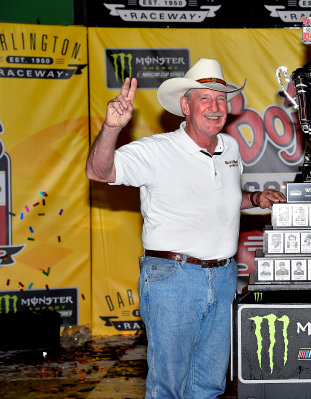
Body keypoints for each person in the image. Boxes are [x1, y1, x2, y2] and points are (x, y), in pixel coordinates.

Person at [85, 58, 286, 399]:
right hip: (173, 278)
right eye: (204, 98)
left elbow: (218, 198)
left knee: (209, 386)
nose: (215, 106)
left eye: (221, 99)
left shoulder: (231, 148)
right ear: (185, 106)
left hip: (224, 278)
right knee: (168, 388)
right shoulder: (156, 150)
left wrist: (254, 198)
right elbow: (98, 172)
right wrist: (111, 129)